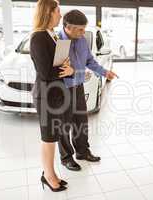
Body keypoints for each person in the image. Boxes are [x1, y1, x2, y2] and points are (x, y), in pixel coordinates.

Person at [57, 10, 118, 171]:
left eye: (84, 29)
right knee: (64, 125)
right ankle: (66, 158)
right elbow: (61, 72)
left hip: (78, 87)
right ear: (67, 27)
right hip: (63, 89)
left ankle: (82, 152)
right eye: (80, 29)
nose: (83, 33)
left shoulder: (82, 40)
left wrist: (104, 72)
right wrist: (79, 73)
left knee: (81, 122)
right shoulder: (59, 42)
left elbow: (90, 61)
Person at [30, 0, 74, 192]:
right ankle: (48, 176)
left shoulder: (52, 34)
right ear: (48, 13)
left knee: (53, 136)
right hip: (46, 96)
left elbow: (54, 64)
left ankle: (51, 173)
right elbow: (45, 72)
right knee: (48, 137)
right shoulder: (38, 37)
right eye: (58, 11)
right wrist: (67, 71)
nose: (60, 15)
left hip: (55, 94)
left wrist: (67, 65)